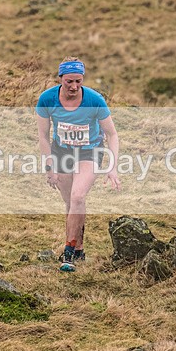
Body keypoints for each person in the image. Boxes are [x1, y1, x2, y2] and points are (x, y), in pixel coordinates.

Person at [36, 58, 121, 271]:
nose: (74, 86)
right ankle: (80, 250)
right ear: (60, 79)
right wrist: (50, 167)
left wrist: (112, 166)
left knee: (78, 196)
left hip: (89, 152)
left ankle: (68, 253)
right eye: (69, 82)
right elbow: (43, 136)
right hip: (61, 153)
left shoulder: (95, 100)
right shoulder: (47, 99)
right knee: (70, 203)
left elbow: (112, 134)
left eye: (79, 81)